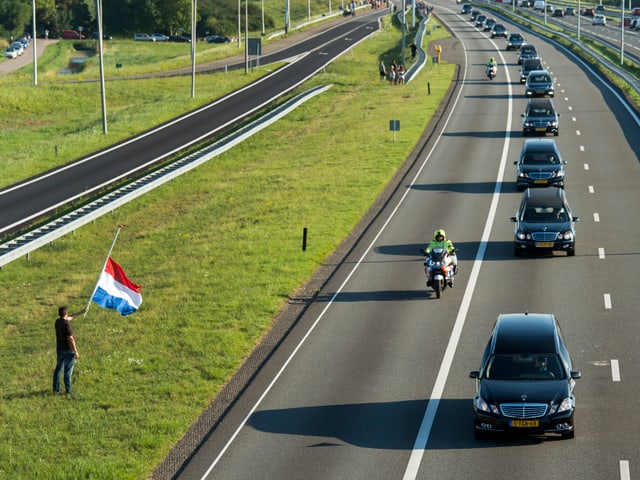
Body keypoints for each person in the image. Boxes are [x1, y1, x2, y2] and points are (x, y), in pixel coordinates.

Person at [53, 305, 87, 394]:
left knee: (58, 369)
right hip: (68, 351)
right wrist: (75, 351)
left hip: (60, 350)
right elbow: (71, 339)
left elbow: (71, 317)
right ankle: (69, 390)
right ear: (66, 313)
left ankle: (56, 389)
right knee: (68, 371)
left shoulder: (57, 322)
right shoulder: (67, 325)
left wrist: (81, 312)